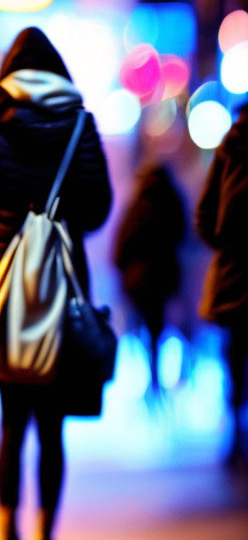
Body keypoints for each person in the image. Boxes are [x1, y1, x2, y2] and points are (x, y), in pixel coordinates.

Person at [0, 27, 112, 540]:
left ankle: (5, 532)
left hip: (2, 283)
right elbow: (97, 209)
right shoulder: (80, 124)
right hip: (64, 285)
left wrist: (3, 232)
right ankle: (46, 536)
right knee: (52, 421)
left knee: (11, 417)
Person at [196, 101, 248, 471]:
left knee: (236, 354)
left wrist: (226, 246)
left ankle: (234, 432)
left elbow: (204, 215)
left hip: (237, 273)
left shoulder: (231, 147)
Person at [113, 161, 187, 392]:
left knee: (142, 325)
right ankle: (155, 377)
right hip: (162, 277)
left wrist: (122, 270)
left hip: (138, 279)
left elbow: (122, 242)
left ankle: (149, 373)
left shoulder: (138, 205)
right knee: (157, 327)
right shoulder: (174, 201)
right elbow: (183, 234)